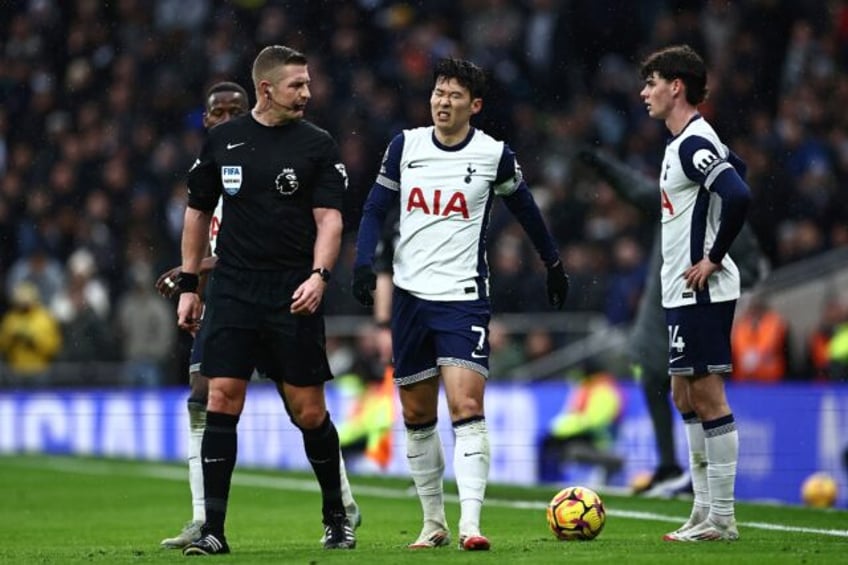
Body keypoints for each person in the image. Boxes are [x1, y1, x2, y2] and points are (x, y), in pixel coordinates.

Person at [352, 57, 569, 551]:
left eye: (452, 96)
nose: (441, 102)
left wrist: (553, 263)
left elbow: (527, 210)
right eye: (437, 93)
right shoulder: (404, 146)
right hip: (409, 297)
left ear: (474, 106)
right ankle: (434, 523)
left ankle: (471, 524)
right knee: (416, 415)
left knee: (467, 406)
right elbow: (373, 209)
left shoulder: (495, 156)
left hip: (463, 299)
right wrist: (363, 263)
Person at [157, 80, 361, 550]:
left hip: (286, 292)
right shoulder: (216, 159)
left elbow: (308, 225)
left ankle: (341, 508)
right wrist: (193, 283)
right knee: (210, 396)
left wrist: (317, 275)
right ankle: (208, 524)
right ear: (207, 120)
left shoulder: (296, 151)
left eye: (235, 110)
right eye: (218, 112)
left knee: (307, 410)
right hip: (232, 298)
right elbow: (198, 219)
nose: (227, 118)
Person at [574, 146, 766, 497]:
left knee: (699, 395)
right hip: (655, 316)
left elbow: (753, 270)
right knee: (650, 378)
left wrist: (712, 265)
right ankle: (668, 466)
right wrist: (603, 164)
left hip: (696, 313)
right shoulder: (674, 205)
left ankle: (705, 479)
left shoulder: (731, 222)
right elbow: (634, 187)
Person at [639, 44, 751, 542]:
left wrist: (714, 255)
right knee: (683, 392)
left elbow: (738, 192)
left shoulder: (690, 143)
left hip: (702, 289)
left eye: (652, 83)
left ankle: (722, 518)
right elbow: (738, 168)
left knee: (705, 393)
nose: (645, 93)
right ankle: (703, 510)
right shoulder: (684, 142)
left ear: (676, 86)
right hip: (679, 290)